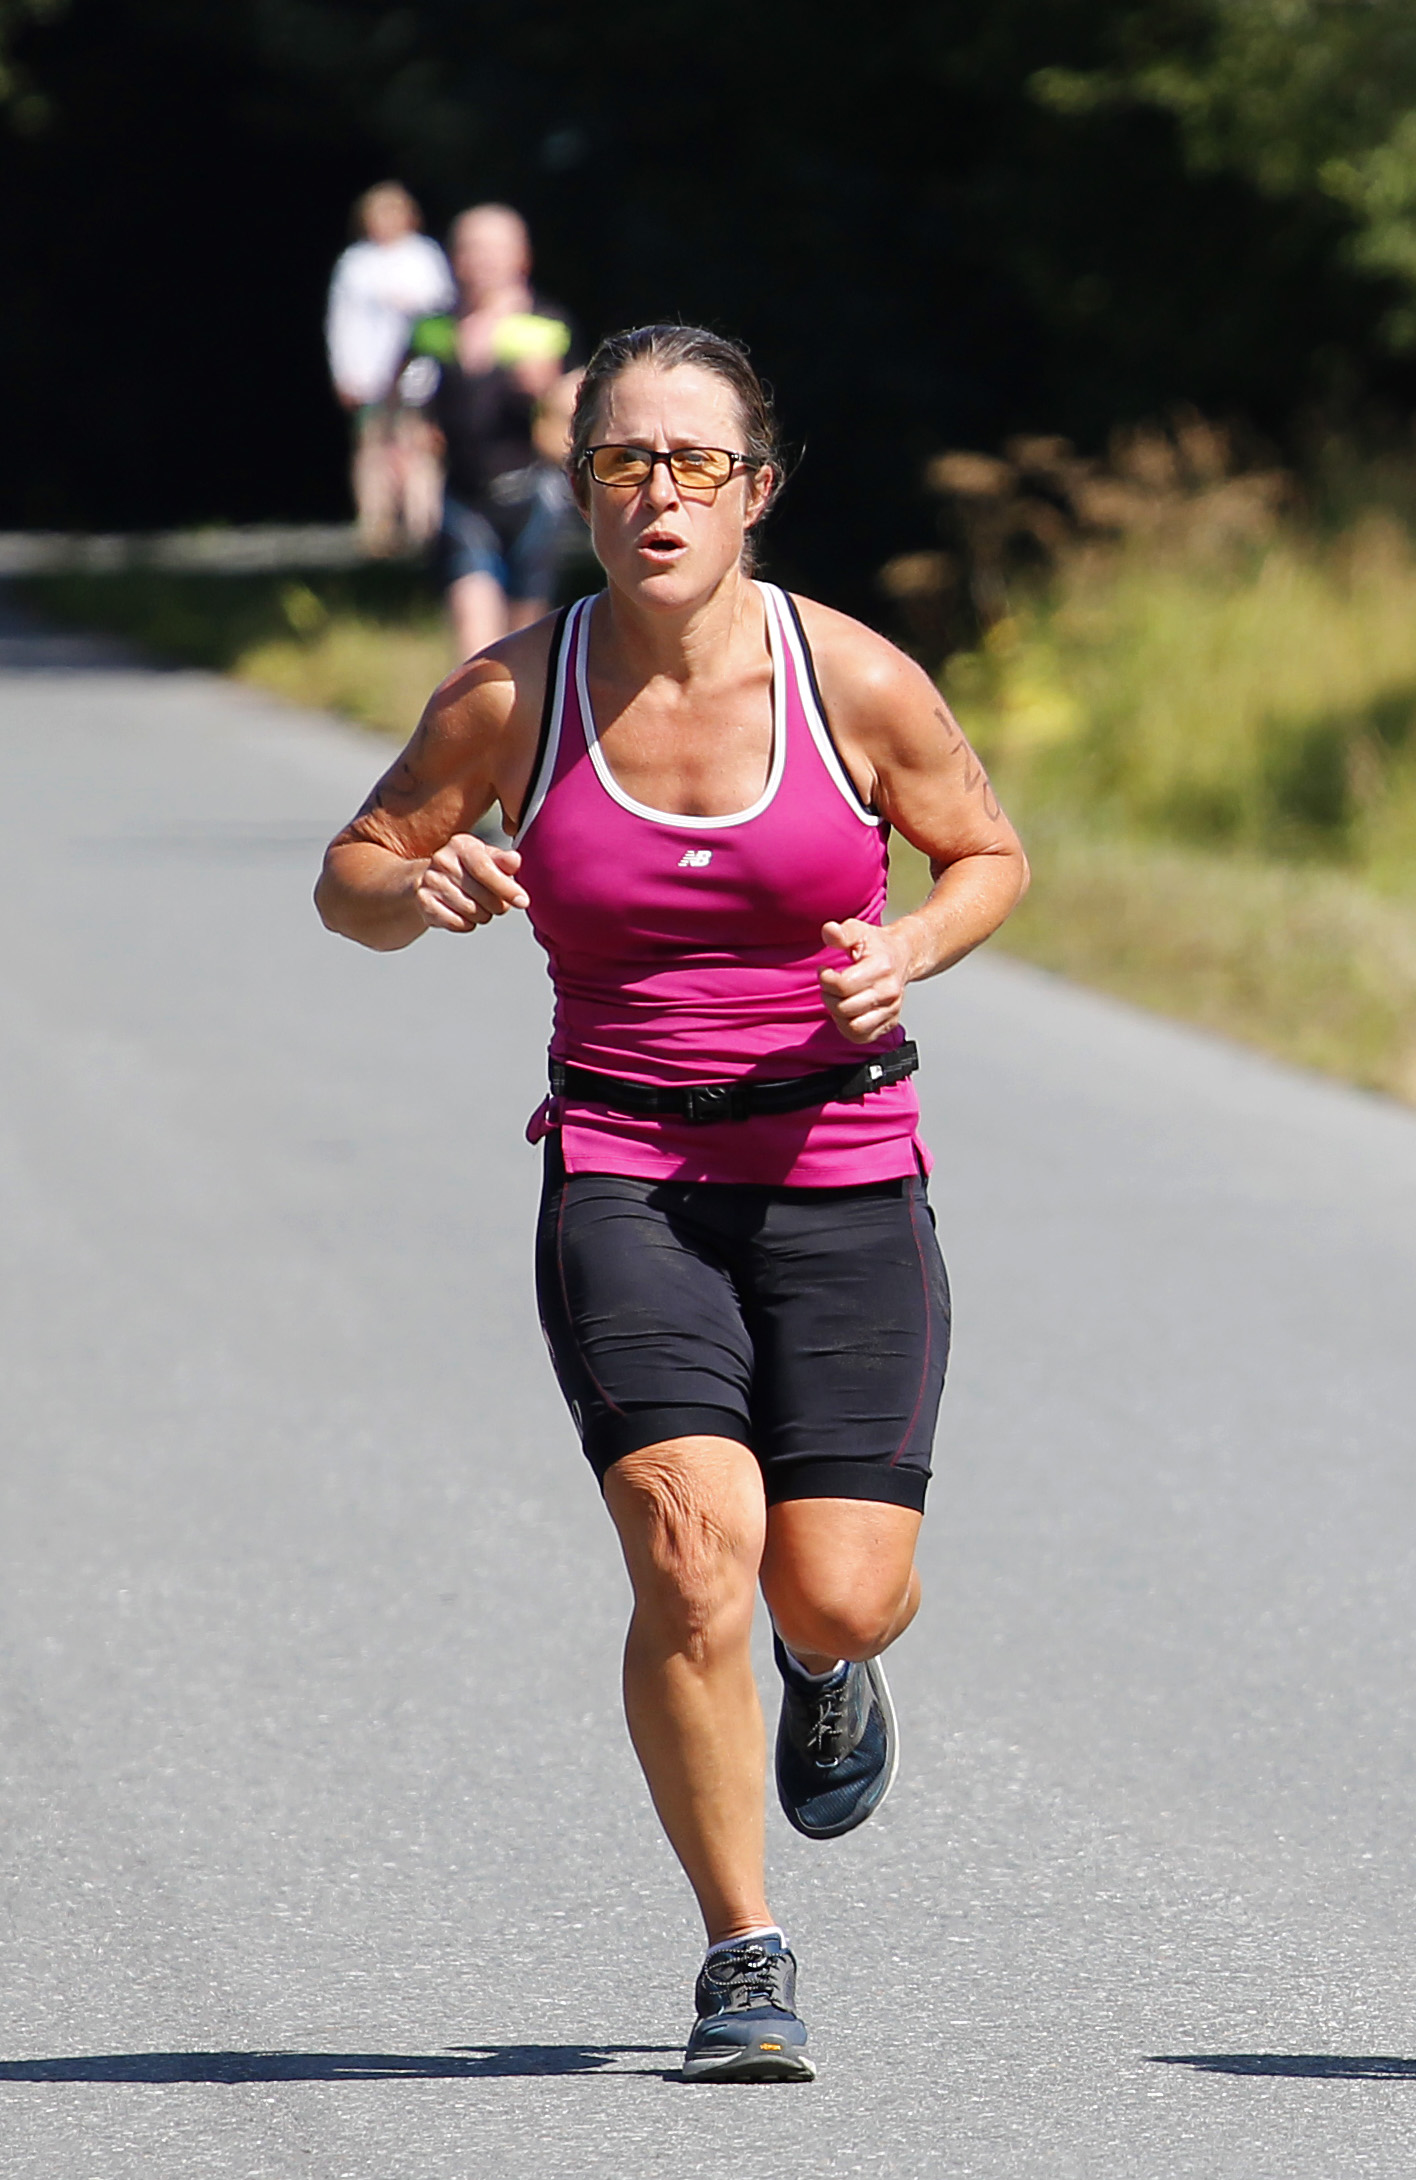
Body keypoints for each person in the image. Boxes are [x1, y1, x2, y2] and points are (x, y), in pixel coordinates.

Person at [314, 324, 1028, 2081]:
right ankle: (740, 1948)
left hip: (841, 1167)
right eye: (624, 462)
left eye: (694, 463)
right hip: (627, 1168)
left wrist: (913, 945)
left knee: (834, 1591)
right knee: (691, 1554)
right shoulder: (512, 697)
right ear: (581, 492)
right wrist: (422, 887)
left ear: (755, 490)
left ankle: (830, 1667)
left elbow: (988, 852)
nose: (658, 494)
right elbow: (352, 876)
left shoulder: (853, 680)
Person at [403, 205, 580, 659]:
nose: (482, 260)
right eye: (471, 248)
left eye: (494, 249)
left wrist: (549, 394)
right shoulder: (432, 330)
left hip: (532, 497)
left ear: (521, 257)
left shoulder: (547, 326)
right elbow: (404, 408)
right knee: (476, 650)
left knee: (526, 649)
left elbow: (578, 416)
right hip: (464, 497)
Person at [325, 182, 453, 556]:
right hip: (369, 372)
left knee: (418, 444)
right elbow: (340, 320)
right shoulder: (355, 262)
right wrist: (343, 371)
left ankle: (423, 522)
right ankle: (375, 524)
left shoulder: (424, 255)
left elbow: (443, 305)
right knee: (372, 446)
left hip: (417, 373)